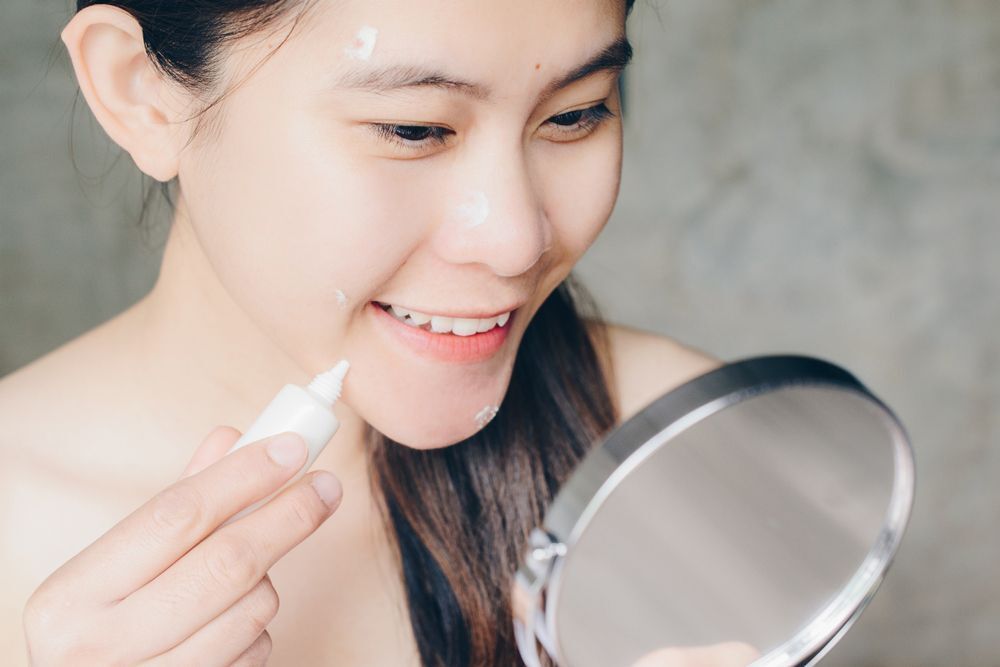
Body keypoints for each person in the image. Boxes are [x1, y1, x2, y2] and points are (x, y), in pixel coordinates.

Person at [0, 1, 757, 665]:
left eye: (574, 114)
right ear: (139, 91)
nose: (515, 242)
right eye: (414, 128)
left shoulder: (699, 456)